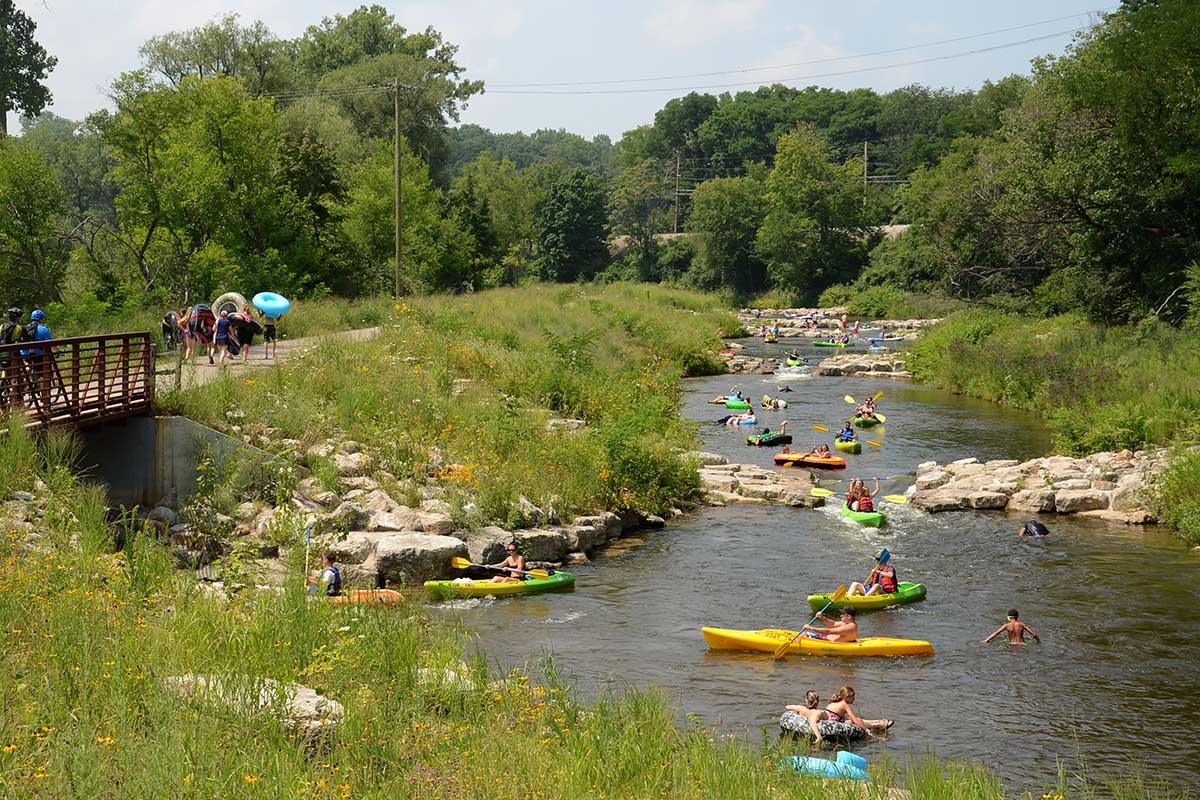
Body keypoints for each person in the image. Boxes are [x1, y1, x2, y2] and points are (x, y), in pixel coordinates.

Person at [822, 686, 893, 734]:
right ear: (847, 697)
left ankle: (879, 722)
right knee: (858, 720)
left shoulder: (836, 701)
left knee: (854, 719)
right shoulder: (844, 705)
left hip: (829, 721)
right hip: (832, 723)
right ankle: (879, 724)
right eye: (853, 697)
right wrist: (866, 730)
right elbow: (855, 720)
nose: (854, 699)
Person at [0, 308, 25, 405]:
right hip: (12, 355)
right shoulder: (19, 328)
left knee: (5, 373)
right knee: (19, 375)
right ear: (18, 317)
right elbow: (26, 341)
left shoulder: (2, 326)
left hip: (2, 354)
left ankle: (3, 392)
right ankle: (17, 398)